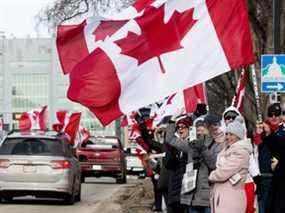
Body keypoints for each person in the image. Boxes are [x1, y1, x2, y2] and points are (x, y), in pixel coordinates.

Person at [166, 116, 212, 213]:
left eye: (202, 127)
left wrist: (203, 149)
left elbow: (213, 164)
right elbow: (170, 139)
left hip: (207, 195)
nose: (199, 130)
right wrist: (172, 121)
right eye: (197, 127)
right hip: (191, 195)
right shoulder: (191, 145)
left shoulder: (212, 144)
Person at [209, 116, 252, 213]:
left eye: (232, 134)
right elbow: (218, 138)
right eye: (227, 134)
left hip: (231, 199)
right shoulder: (227, 150)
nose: (228, 137)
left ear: (239, 136)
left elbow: (222, 174)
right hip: (223, 198)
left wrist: (211, 175)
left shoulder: (241, 152)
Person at [255, 103, 285, 213]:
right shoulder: (264, 131)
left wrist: (268, 135)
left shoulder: (282, 131)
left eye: (276, 114)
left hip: (277, 177)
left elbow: (279, 147)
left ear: (281, 116)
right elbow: (257, 150)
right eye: (270, 114)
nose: (273, 117)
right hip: (263, 177)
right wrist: (259, 135)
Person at [164, 115, 192, 213]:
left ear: (189, 129)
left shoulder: (192, 144)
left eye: (183, 127)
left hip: (186, 191)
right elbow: (167, 164)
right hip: (174, 191)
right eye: (178, 127)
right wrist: (171, 152)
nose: (180, 130)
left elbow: (170, 138)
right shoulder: (174, 146)